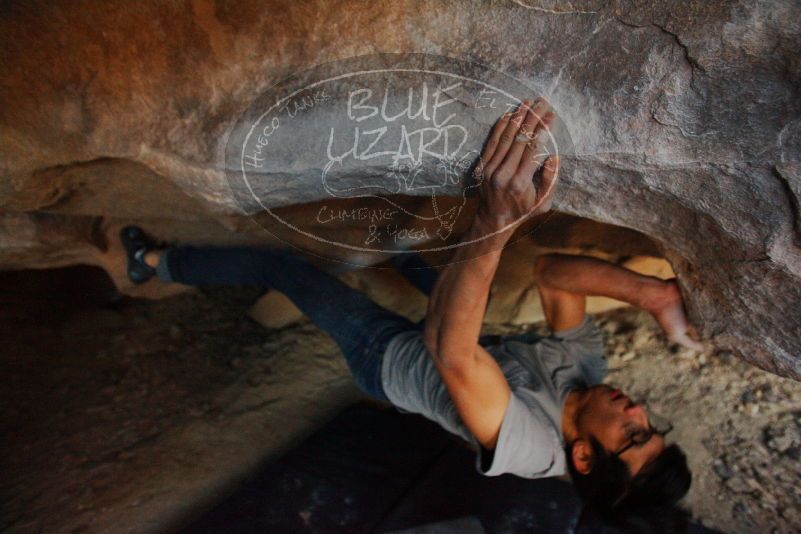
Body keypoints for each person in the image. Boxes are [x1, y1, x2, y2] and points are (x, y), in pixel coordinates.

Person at [119, 97, 698, 529]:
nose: (638, 410)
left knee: (289, 270)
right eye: (652, 427)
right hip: (469, 348)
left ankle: (154, 262)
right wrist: (652, 294)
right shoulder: (589, 383)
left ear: (582, 455)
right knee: (433, 273)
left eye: (632, 433)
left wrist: (494, 221)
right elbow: (555, 276)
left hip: (391, 359)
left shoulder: (532, 447)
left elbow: (453, 353)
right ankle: (393, 251)